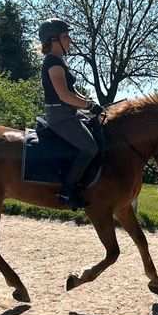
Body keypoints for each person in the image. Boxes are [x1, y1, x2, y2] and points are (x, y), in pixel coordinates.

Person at [38, 17, 104, 210]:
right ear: (53, 40)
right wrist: (89, 106)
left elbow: (73, 93)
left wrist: (90, 104)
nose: (70, 40)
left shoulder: (60, 62)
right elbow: (63, 94)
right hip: (60, 117)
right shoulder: (53, 63)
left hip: (69, 114)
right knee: (90, 147)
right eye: (66, 36)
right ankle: (68, 190)